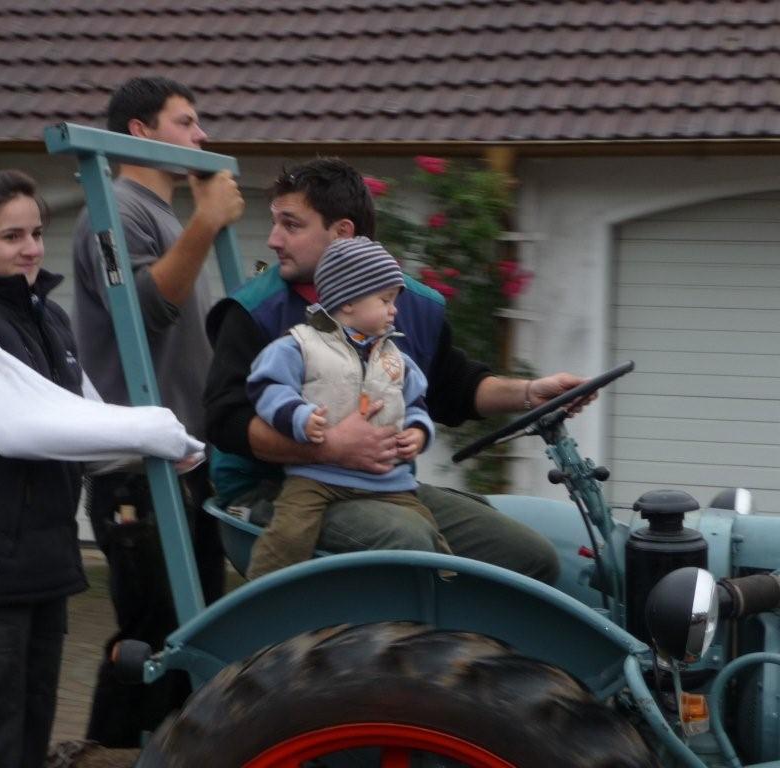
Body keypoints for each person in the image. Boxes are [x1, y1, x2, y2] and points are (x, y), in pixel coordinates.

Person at [0, 169, 203, 768]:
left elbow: (85, 422)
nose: (31, 249)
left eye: (37, 233)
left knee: (26, 743)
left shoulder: (48, 319)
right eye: (11, 236)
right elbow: (15, 427)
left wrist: (171, 446)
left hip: (42, 568)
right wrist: (149, 429)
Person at [205, 157, 578, 585]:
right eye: (276, 223)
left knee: (530, 557)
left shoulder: (407, 305)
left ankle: (460, 628)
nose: (273, 239)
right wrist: (329, 447)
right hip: (277, 490)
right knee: (410, 542)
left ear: (342, 232)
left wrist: (531, 393)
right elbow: (225, 420)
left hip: (383, 487)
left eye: (291, 225)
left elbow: (455, 387)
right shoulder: (254, 311)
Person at [71, 76, 244, 747]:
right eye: (186, 122)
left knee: (191, 634)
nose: (201, 136)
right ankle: (111, 755)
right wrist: (207, 220)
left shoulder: (164, 217)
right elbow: (144, 309)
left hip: (185, 460)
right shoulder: (109, 210)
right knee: (153, 639)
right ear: (139, 132)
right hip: (135, 472)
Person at [245, 236, 437, 578]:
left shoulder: (395, 358)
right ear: (347, 302)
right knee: (290, 533)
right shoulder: (301, 345)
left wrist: (418, 432)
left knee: (430, 537)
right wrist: (299, 417)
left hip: (387, 482)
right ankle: (260, 597)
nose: (394, 310)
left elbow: (415, 403)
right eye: (385, 300)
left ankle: (441, 595)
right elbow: (267, 386)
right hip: (316, 476)